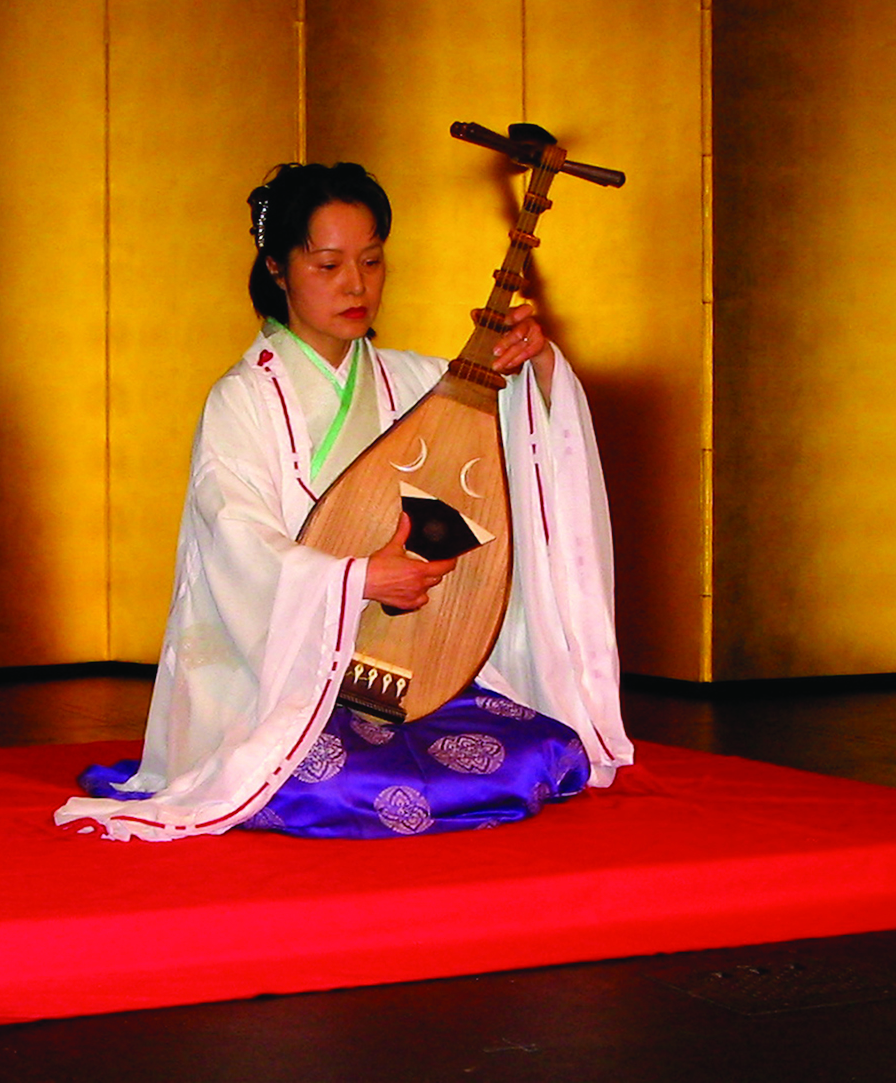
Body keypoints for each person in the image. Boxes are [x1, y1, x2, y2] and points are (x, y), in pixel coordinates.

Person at [55, 162, 631, 842]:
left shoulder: (420, 383)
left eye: (371, 260)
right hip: (276, 686)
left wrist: (533, 365)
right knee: (335, 777)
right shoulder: (241, 402)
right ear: (277, 268)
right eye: (328, 265)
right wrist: (357, 578)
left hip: (407, 670)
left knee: (541, 746)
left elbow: (507, 454)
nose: (356, 285)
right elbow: (239, 539)